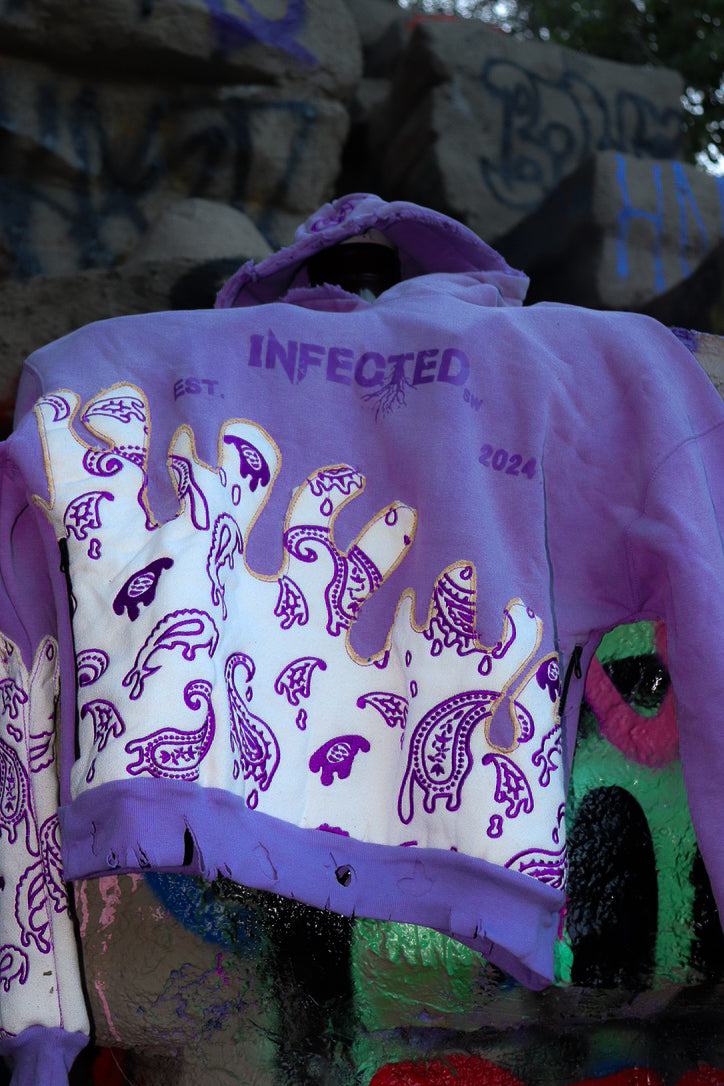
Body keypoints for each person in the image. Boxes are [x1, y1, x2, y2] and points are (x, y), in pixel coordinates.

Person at [0, 193, 721, 1085]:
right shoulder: (609, 367)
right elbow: (709, 619)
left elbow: (19, 668)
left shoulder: (99, 368)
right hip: (484, 868)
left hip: (171, 852)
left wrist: (39, 1034)